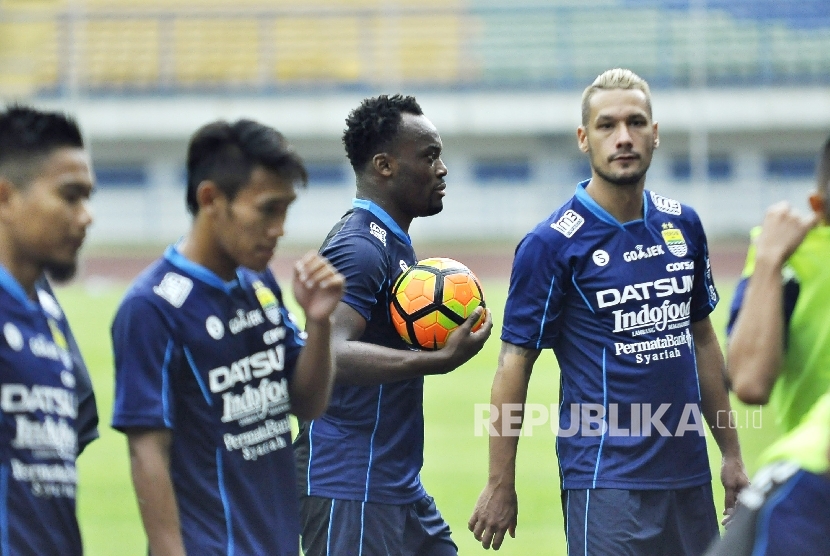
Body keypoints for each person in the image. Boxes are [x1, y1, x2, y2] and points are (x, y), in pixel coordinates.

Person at [468, 68, 748, 555]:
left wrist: (732, 456)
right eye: (607, 125)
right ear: (584, 138)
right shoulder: (551, 244)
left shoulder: (683, 224)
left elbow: (701, 339)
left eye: (636, 122)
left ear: (655, 134)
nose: (623, 137)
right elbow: (514, 364)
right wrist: (499, 482)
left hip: (689, 476)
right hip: (607, 480)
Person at [110, 119, 345, 556]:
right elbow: (147, 455)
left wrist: (319, 323)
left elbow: (308, 404)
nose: (279, 228)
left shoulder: (258, 284)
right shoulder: (151, 308)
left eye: (286, 210)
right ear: (211, 199)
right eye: (268, 209)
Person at [293, 94, 493, 556]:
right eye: (429, 156)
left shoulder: (391, 243)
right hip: (349, 480)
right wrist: (435, 361)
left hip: (391, 480)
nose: (442, 169)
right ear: (384, 166)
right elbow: (332, 352)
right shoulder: (360, 246)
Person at [704, 137, 830, 555]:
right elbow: (749, 383)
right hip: (815, 478)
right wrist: (771, 259)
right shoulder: (793, 256)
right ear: (819, 205)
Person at [0, 105, 95, 554]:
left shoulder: (46, 313)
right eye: (69, 196)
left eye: (88, 197)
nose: (86, 216)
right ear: (5, 196)